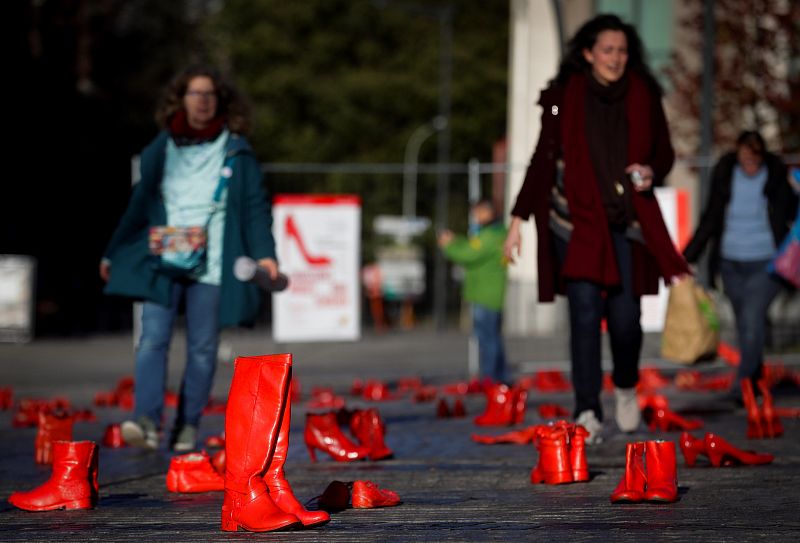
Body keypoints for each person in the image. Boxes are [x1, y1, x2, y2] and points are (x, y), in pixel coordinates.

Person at [503, 14, 689, 442]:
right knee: (584, 317)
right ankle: (587, 407)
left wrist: (650, 169)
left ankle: (625, 386)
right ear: (587, 53)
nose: (615, 58)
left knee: (625, 319)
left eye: (622, 51)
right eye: (607, 50)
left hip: (626, 224)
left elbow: (664, 154)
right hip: (575, 224)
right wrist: (517, 222)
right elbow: (542, 158)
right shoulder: (560, 96)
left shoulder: (645, 93)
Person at [101, 65, 280, 451]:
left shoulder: (237, 151)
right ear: (180, 100)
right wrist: (113, 250)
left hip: (213, 264)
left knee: (202, 347)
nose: (202, 100)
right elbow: (138, 206)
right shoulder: (160, 149)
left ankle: (187, 425)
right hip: (163, 260)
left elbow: (254, 209)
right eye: (194, 93)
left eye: (209, 94)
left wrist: (266, 255)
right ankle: (146, 421)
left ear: (221, 101)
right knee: (152, 339)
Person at [683, 131, 798, 398]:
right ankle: (755, 381)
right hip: (730, 263)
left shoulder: (776, 175)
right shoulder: (724, 174)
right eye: (745, 156)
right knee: (746, 325)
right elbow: (710, 218)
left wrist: (796, 190)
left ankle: (742, 385)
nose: (750, 163)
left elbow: (790, 212)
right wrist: (686, 256)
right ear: (737, 153)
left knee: (752, 318)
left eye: (754, 157)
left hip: (766, 262)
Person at [439, 199, 509, 384]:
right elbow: (472, 245)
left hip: (486, 295)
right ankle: (498, 378)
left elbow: (469, 254)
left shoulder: (492, 235)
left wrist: (449, 245)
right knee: (491, 338)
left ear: (489, 213)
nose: (475, 217)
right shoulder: (491, 233)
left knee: (488, 340)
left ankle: (492, 380)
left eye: (478, 213)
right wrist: (456, 240)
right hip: (485, 293)